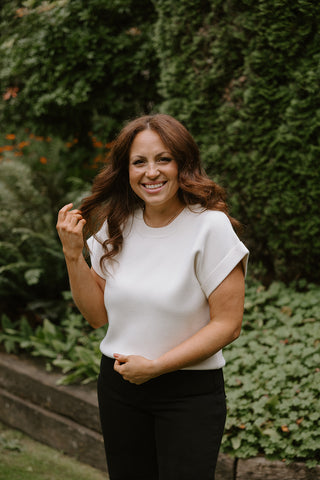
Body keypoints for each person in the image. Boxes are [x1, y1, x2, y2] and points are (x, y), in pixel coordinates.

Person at [56, 114, 249, 480]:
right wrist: (72, 254)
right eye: (139, 162)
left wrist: (158, 367)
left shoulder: (210, 226)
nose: (151, 172)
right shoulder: (117, 224)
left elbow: (228, 324)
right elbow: (97, 316)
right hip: (118, 387)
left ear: (183, 164)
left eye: (163, 159)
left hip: (188, 394)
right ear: (126, 171)